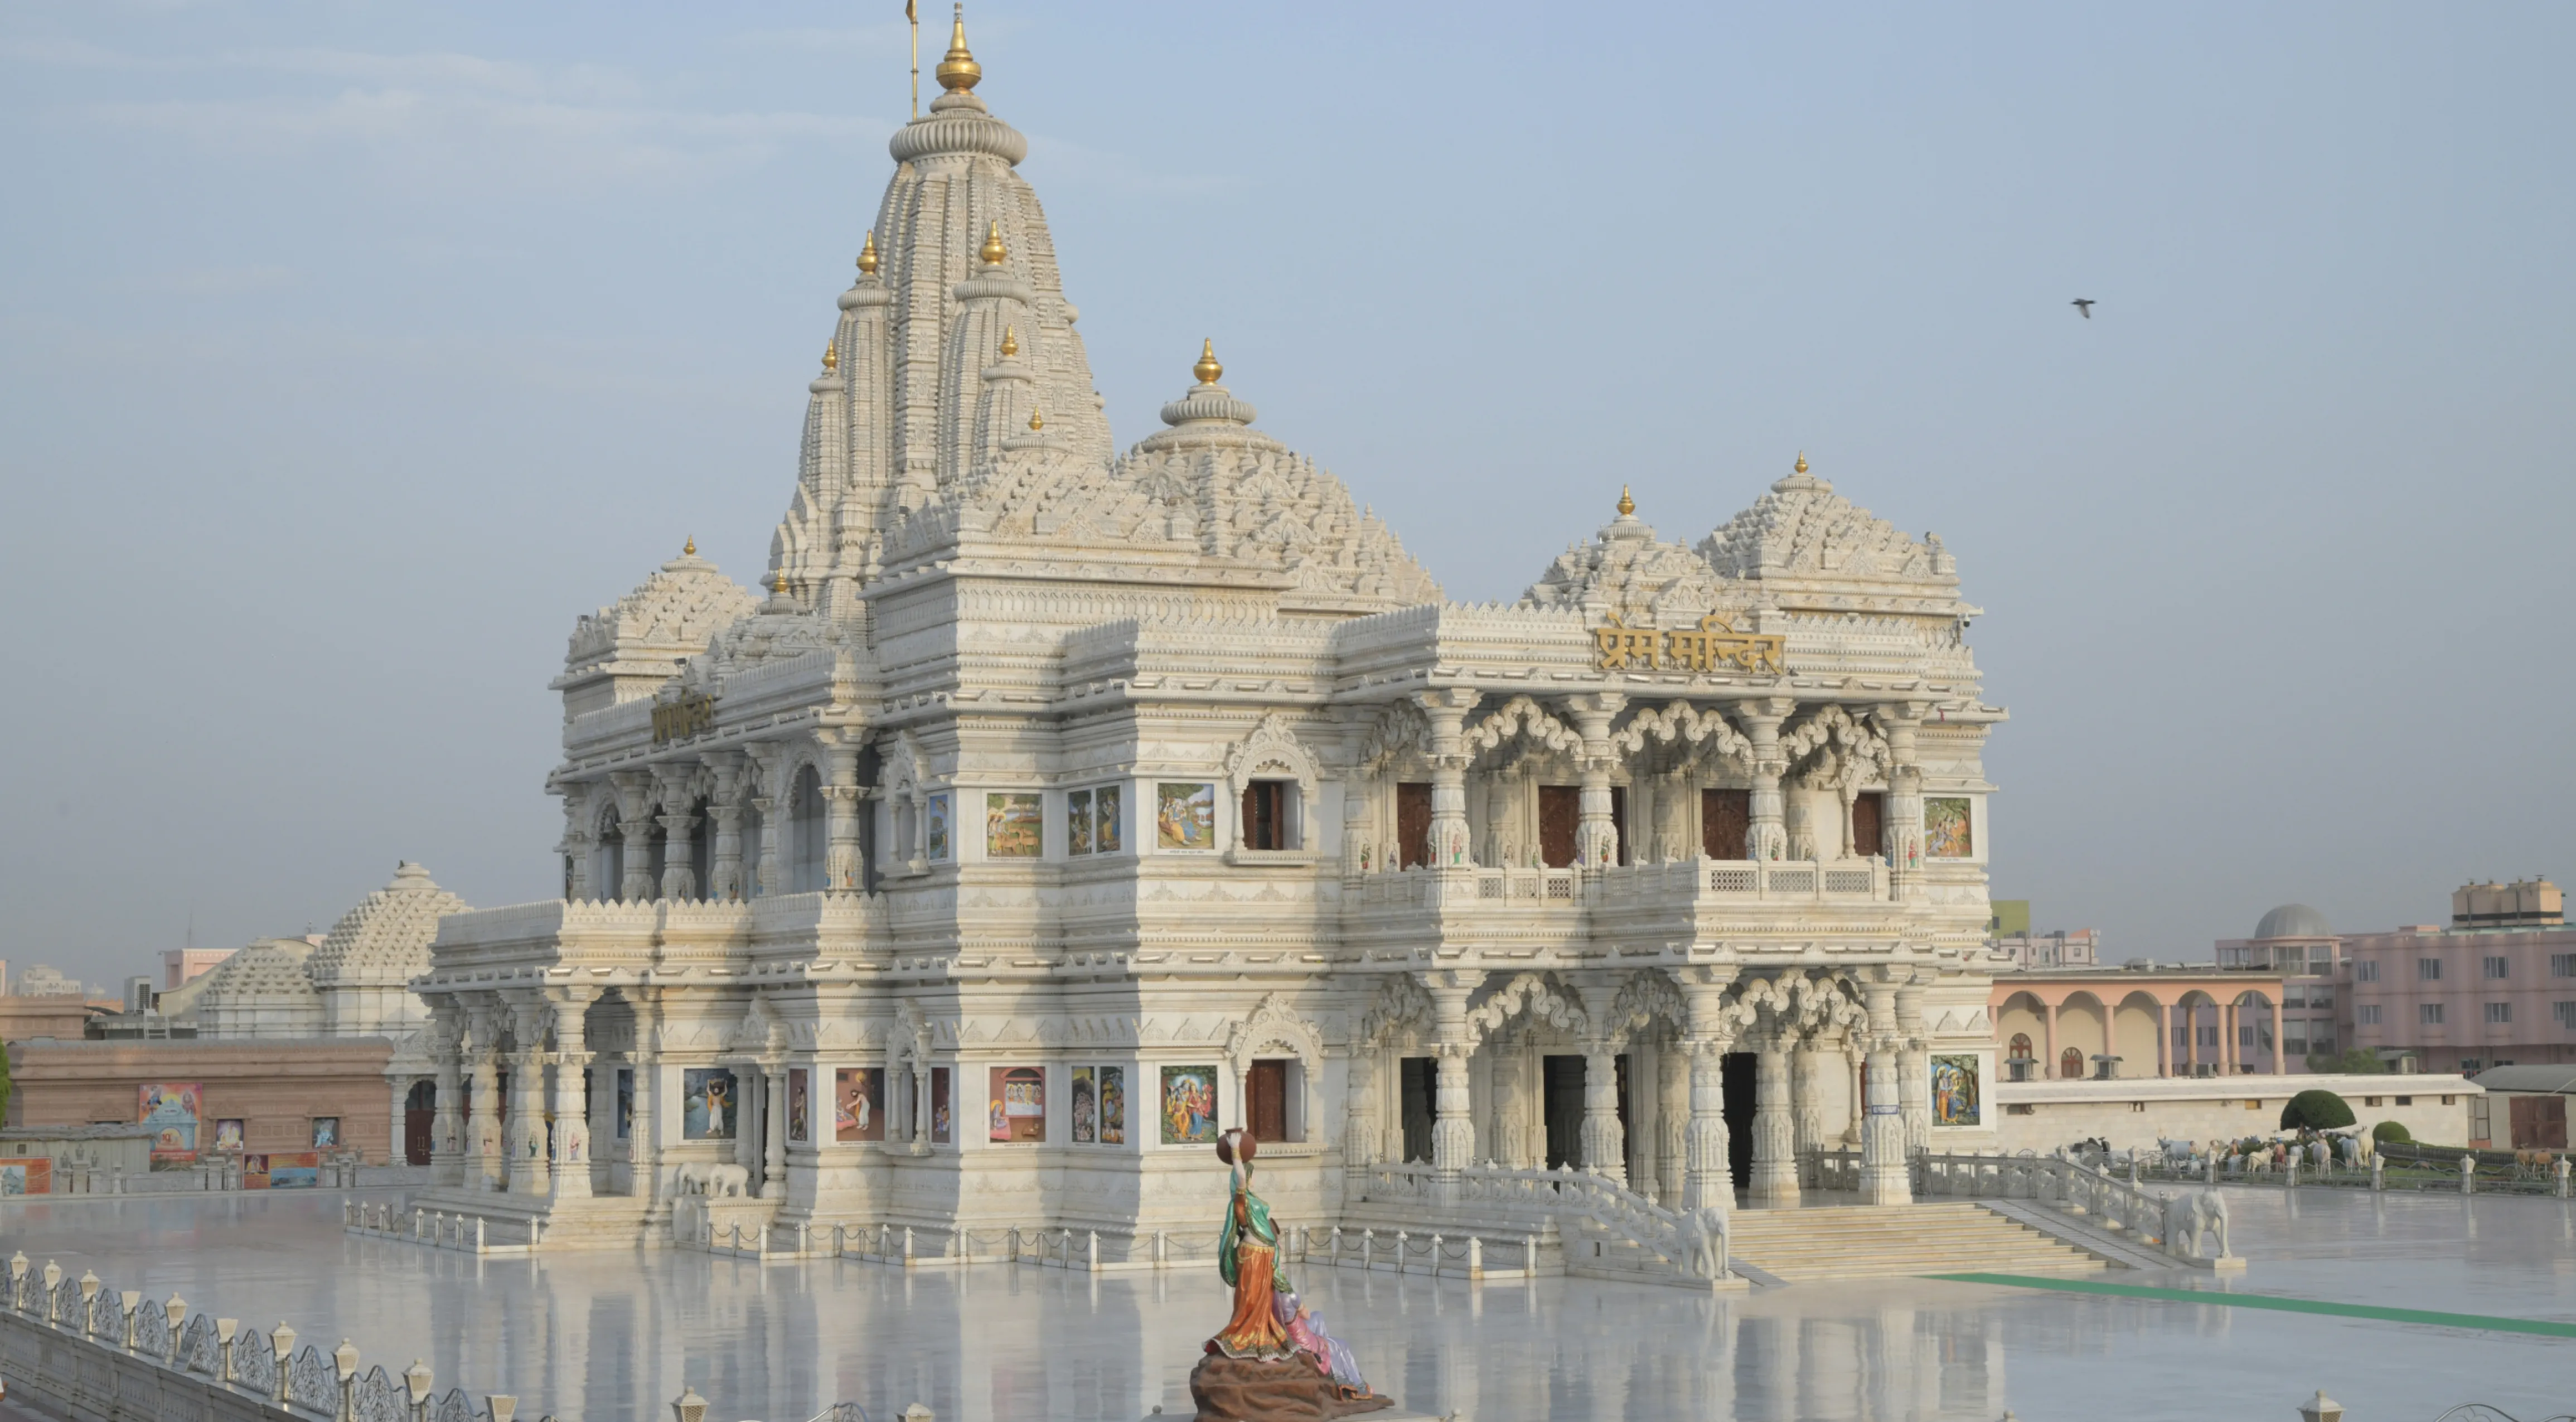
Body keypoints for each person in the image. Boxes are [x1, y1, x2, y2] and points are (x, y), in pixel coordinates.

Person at [1211, 1129, 1293, 1360]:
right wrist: (1236, 1151)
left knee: (1264, 1303)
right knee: (1250, 1302)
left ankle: (1262, 1343)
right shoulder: (1241, 1199)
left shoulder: (1255, 1200)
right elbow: (1238, 1175)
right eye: (1250, 1174)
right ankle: (1243, 1340)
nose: (1252, 1178)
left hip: (1265, 1256)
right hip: (1252, 1256)